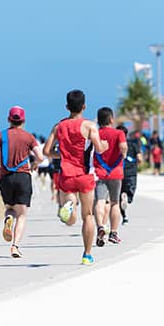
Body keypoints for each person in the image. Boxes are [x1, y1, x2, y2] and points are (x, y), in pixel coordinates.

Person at [43, 89, 108, 265]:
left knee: (70, 220)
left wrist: (62, 155)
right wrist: (105, 144)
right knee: (87, 216)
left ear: (67, 107)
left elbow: (46, 151)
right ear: (84, 106)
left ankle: (70, 206)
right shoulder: (89, 126)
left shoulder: (59, 127)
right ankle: (87, 255)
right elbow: (99, 148)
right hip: (85, 175)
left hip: (66, 175)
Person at [0, 106, 43, 258]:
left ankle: (8, 218)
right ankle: (15, 247)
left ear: (8, 120)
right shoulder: (29, 137)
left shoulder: (0, 135)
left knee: (10, 208)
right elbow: (41, 156)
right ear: (23, 121)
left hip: (6, 177)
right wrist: (34, 165)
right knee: (22, 214)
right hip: (23, 177)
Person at [93, 107, 127, 247]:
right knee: (114, 203)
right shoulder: (119, 133)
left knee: (99, 201)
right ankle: (113, 233)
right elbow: (123, 147)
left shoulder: (95, 133)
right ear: (111, 120)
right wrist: (123, 154)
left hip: (99, 172)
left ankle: (101, 226)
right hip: (115, 172)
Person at [118, 125, 142, 225]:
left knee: (118, 196)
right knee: (131, 191)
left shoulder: (114, 145)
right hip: (131, 172)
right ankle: (128, 198)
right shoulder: (133, 145)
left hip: (118, 172)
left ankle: (124, 217)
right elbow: (140, 158)